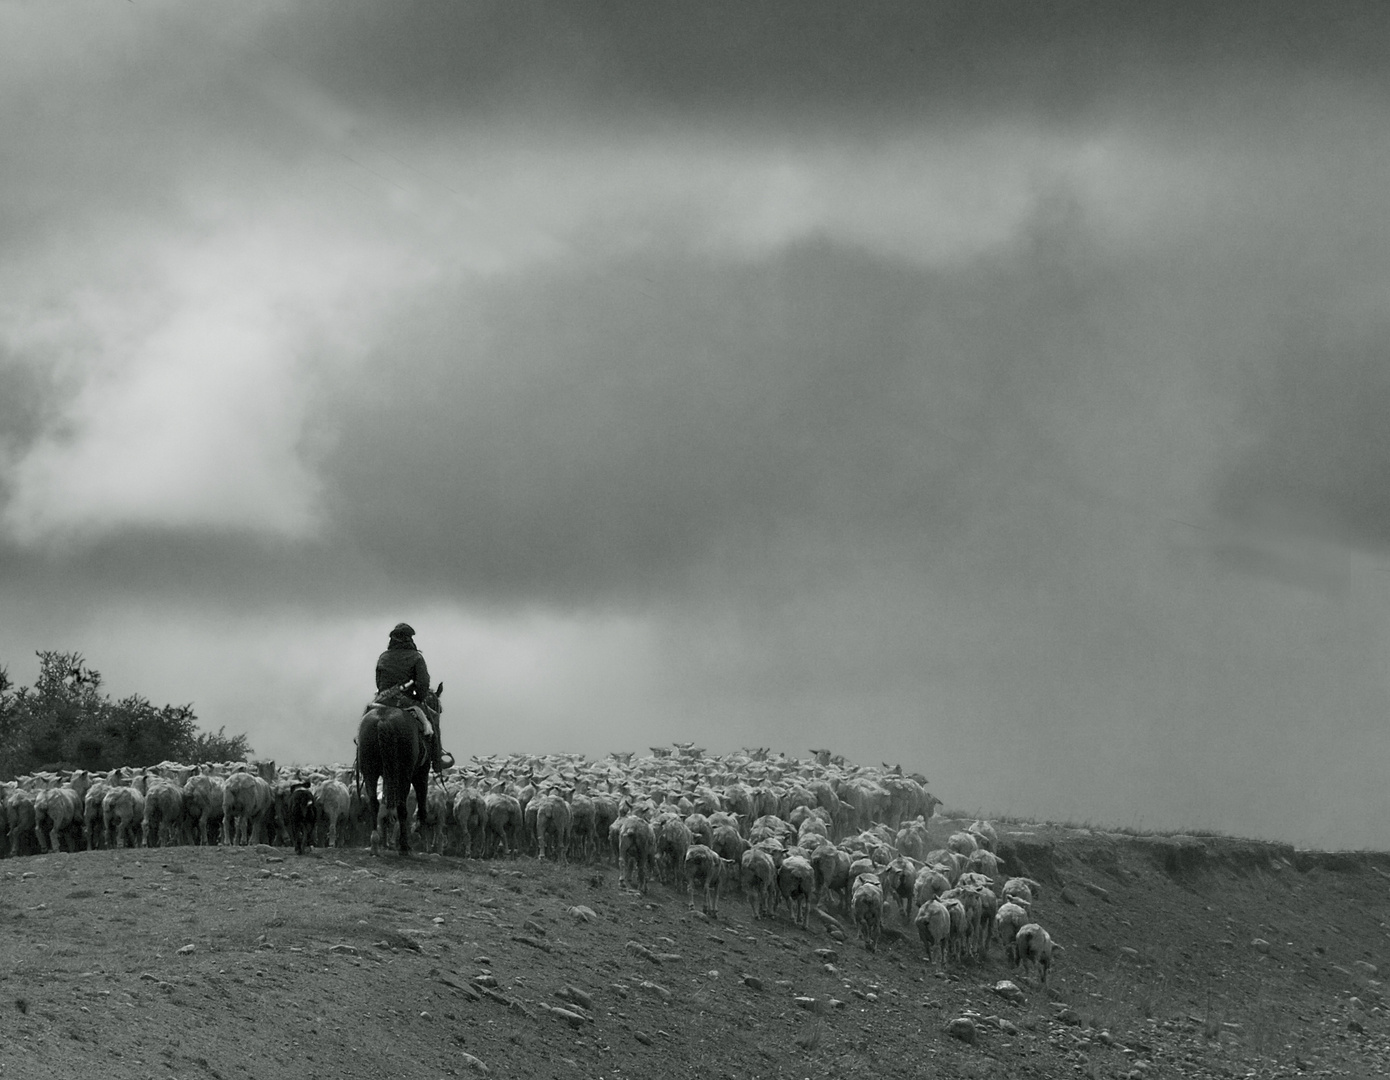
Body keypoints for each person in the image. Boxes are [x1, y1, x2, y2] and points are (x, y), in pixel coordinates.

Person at [374, 622, 452, 771]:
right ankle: (437, 760)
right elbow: (423, 683)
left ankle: (360, 757)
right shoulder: (416, 657)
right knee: (434, 717)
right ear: (409, 639)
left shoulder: (383, 657)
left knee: (368, 715)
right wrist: (418, 697)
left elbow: (378, 682)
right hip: (404, 700)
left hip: (382, 699)